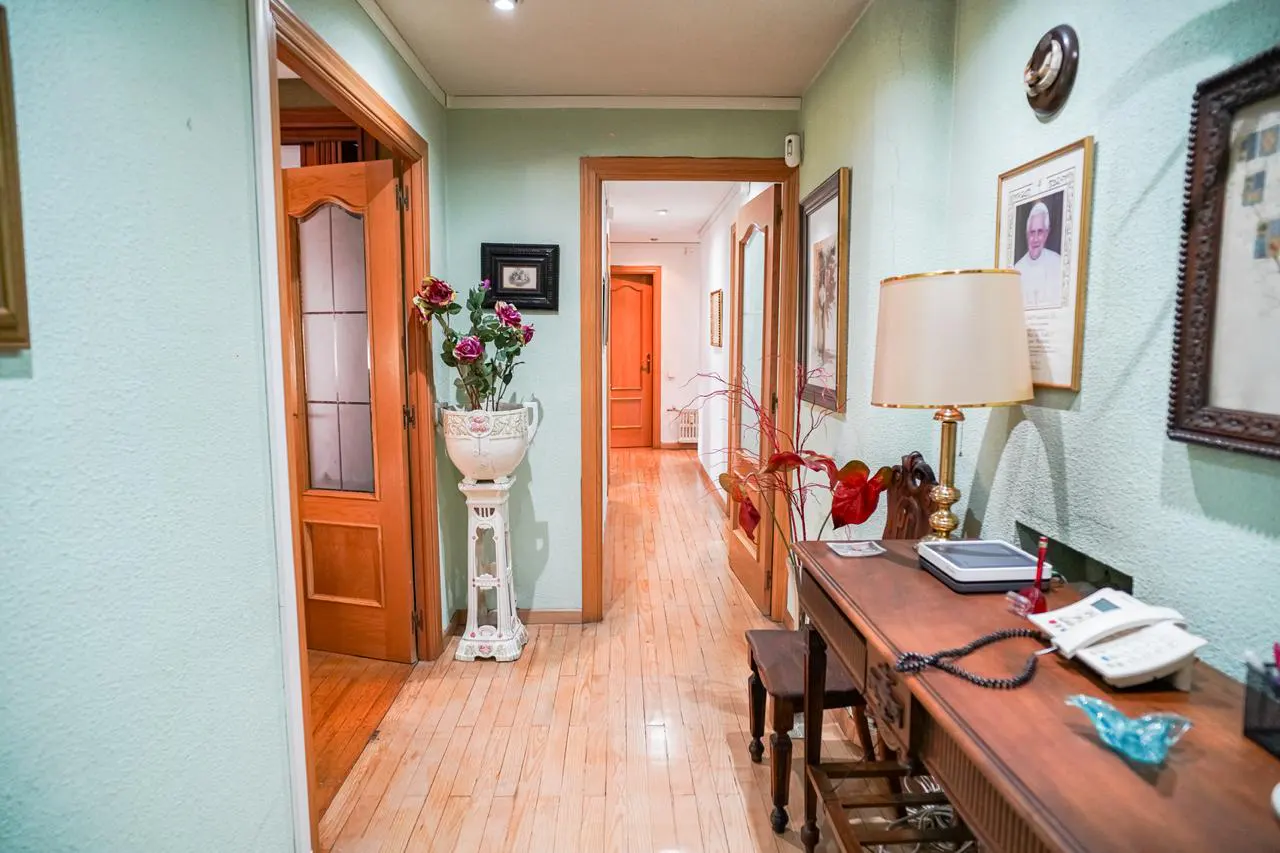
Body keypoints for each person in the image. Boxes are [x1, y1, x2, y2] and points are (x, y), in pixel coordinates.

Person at [1013, 200, 1062, 309]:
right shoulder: (1017, 269)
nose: (1035, 239)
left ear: (1046, 233)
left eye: (1040, 232)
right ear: (1026, 234)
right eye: (1032, 232)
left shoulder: (1058, 263)